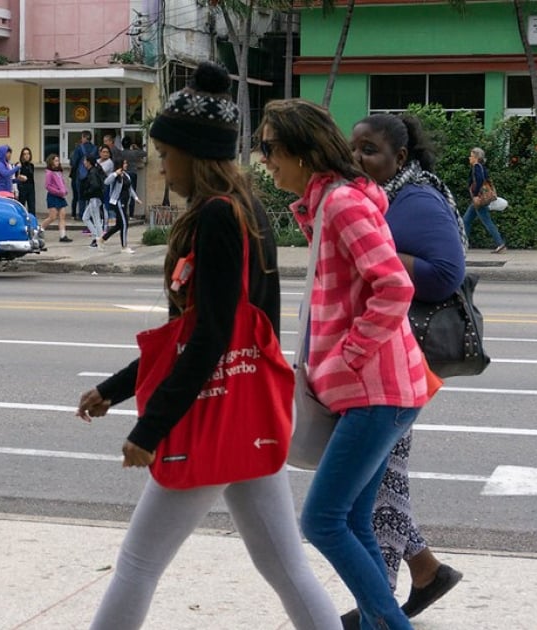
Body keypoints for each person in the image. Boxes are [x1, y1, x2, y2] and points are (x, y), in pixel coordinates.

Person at [76, 62, 340, 630]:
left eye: (167, 155)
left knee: (138, 563)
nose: (161, 166)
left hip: (213, 411)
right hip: (247, 407)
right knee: (285, 565)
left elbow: (208, 337)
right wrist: (115, 389)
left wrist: (150, 429)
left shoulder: (218, 219)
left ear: (195, 154)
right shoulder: (247, 211)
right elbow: (197, 330)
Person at [257, 98, 429, 630]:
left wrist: (349, 357)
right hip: (381, 390)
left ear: (302, 151)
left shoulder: (341, 203)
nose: (264, 161)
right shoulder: (328, 203)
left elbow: (395, 285)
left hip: (376, 390)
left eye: (269, 149)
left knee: (322, 520)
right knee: (353, 517)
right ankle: (385, 623)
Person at [344, 113, 466, 629]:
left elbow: (447, 270)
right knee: (383, 477)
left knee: (381, 480)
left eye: (369, 150)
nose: (358, 159)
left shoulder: (416, 198)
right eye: (353, 148)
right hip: (385, 357)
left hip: (401, 360)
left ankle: (381, 606)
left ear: (400, 157)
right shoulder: (382, 195)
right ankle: (425, 571)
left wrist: (382, 258)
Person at [462, 147, 506, 254]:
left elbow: (480, 180)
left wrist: (476, 195)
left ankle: (500, 244)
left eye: (471, 156)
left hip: (479, 199)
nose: (469, 158)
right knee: (466, 220)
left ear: (476, 157)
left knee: (485, 221)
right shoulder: (480, 167)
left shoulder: (477, 167)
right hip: (478, 200)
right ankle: (463, 245)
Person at [100, 159, 141, 253]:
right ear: (120, 164)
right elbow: (106, 182)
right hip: (118, 202)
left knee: (119, 225)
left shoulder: (126, 175)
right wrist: (115, 173)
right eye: (124, 163)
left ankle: (102, 239)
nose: (126, 165)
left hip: (125, 202)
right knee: (124, 223)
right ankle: (124, 247)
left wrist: (136, 198)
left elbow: (130, 188)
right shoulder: (115, 175)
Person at [43, 153, 72, 242]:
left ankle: (63, 236)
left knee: (62, 215)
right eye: (55, 160)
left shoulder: (59, 172)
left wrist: (65, 190)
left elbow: (62, 183)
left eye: (58, 160)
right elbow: (47, 186)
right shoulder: (49, 173)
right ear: (51, 162)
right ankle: (39, 230)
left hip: (60, 196)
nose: (57, 162)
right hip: (53, 196)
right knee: (52, 217)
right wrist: (58, 192)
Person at [69, 131, 98, 219]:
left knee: (81, 197)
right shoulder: (95, 148)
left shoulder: (79, 148)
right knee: (91, 197)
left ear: (84, 137)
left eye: (82, 137)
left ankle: (82, 215)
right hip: (92, 175)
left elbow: (74, 162)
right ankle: (91, 216)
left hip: (81, 176)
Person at [80, 154, 106, 248]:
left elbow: (95, 186)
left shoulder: (93, 172)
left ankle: (99, 239)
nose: (84, 163)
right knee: (85, 217)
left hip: (94, 198)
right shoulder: (93, 171)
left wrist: (87, 192)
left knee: (96, 219)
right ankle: (96, 236)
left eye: (85, 161)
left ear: (88, 162)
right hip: (93, 198)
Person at [121, 137, 148, 218]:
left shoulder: (121, 153)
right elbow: (144, 153)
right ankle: (131, 214)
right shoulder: (134, 152)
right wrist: (137, 147)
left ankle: (123, 212)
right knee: (132, 193)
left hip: (123, 174)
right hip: (133, 173)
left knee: (123, 193)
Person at [16, 147, 36, 216]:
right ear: (22, 156)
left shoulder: (31, 165)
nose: (27, 156)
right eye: (24, 154)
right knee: (21, 206)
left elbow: (31, 178)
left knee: (32, 206)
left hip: (31, 188)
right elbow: (16, 177)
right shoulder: (19, 165)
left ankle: (32, 222)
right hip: (22, 187)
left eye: (28, 154)